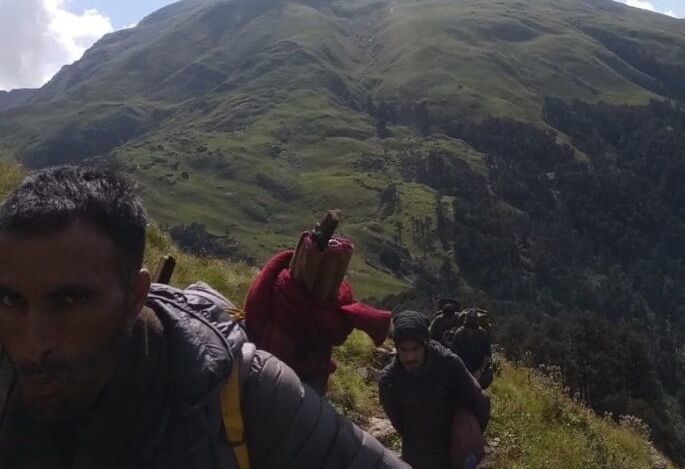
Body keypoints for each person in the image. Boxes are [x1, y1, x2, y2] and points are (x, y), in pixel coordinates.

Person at [0, 165, 408, 468]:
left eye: (70, 300)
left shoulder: (245, 394)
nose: (35, 343)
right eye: (9, 300)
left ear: (135, 296)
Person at [379, 311, 490, 469]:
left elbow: (479, 401)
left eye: (415, 349)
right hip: (416, 455)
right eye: (403, 350)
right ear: (396, 348)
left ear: (425, 344)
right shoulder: (390, 381)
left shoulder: (449, 365)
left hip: (451, 452)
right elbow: (398, 422)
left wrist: (467, 433)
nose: (410, 357)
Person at [449, 310, 493, 389]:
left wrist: (481, 370)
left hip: (477, 368)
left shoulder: (482, 334)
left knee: (489, 373)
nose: (470, 331)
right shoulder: (459, 334)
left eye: (472, 329)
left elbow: (487, 355)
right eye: (468, 328)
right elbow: (454, 355)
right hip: (462, 368)